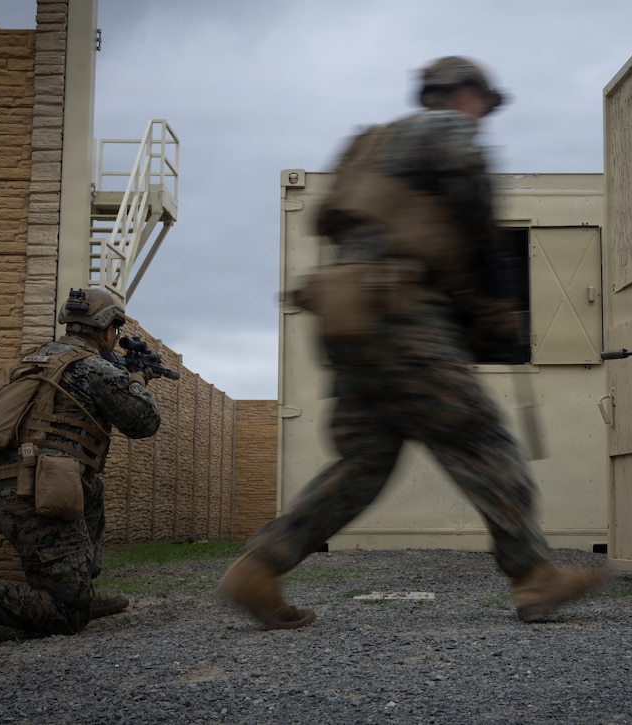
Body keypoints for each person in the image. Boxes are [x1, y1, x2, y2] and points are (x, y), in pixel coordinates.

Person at [218, 56, 606, 629]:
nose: (484, 120)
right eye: (484, 106)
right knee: (481, 441)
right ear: (466, 95)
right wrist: (498, 299)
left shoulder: (375, 145)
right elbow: (478, 217)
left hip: (351, 318)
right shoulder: (445, 129)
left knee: (366, 461)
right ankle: (533, 576)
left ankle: (259, 567)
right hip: (405, 315)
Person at [0, 288, 162, 648]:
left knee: (92, 488)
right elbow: (144, 422)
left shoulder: (34, 360)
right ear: (105, 330)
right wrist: (138, 379)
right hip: (35, 495)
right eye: (115, 331)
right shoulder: (95, 368)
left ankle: (80, 586)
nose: (116, 338)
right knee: (69, 615)